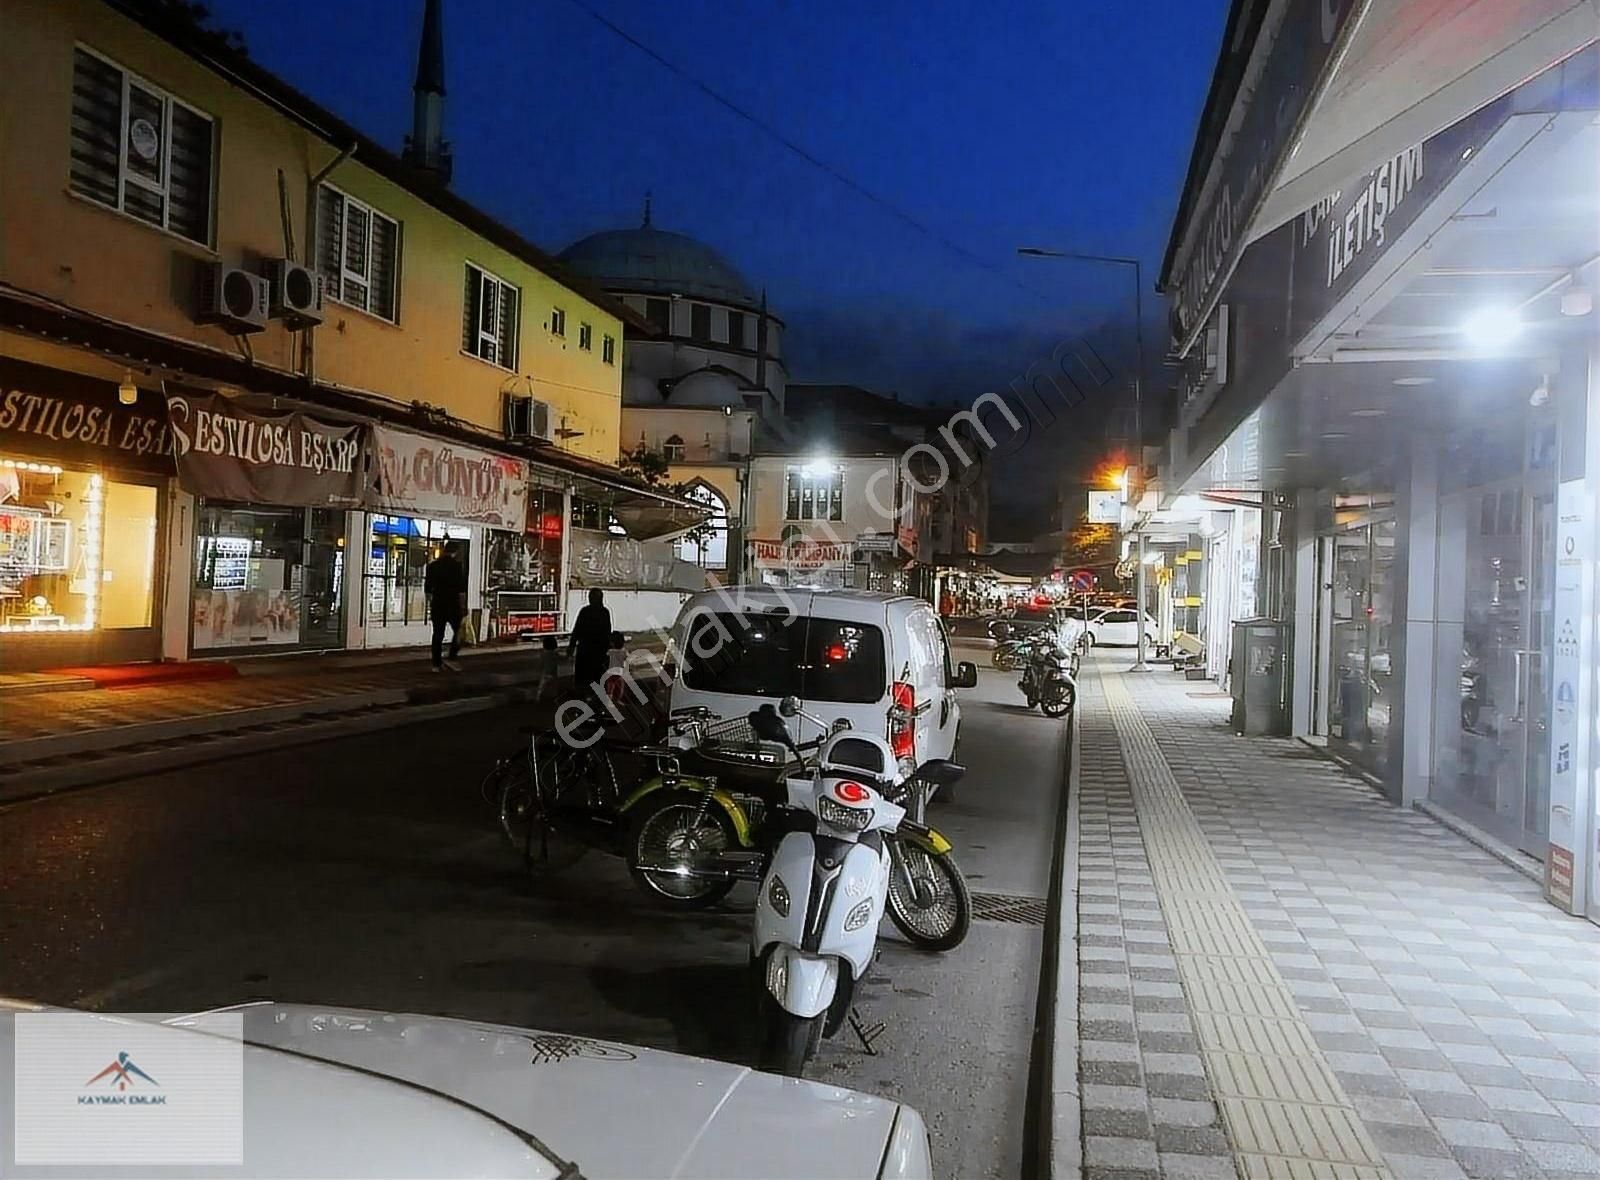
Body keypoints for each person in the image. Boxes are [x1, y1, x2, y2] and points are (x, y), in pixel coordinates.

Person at [424, 540, 467, 671]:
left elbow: (428, 589)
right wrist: (463, 606)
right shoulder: (457, 566)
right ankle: (452, 656)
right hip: (453, 603)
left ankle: (436, 664)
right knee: (459, 631)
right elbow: (461, 590)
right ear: (456, 552)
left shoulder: (432, 566)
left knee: (437, 634)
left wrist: (430, 604)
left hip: (438, 603)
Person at [567, 587, 612, 698]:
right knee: (596, 676)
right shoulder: (604, 612)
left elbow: (577, 630)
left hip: (585, 649)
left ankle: (582, 697)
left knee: (583, 676)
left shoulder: (585, 611)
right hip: (598, 650)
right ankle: (595, 699)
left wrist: (571, 646)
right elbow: (607, 632)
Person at [604, 631, 628, 703]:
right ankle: (617, 700)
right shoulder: (624, 651)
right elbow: (626, 658)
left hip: (611, 673)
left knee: (610, 688)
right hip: (619, 673)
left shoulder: (610, 651)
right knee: (619, 688)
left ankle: (609, 701)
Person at [536, 634, 561, 701]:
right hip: (553, 672)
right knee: (554, 686)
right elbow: (560, 658)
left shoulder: (543, 654)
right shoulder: (554, 653)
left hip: (545, 673)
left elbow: (541, 664)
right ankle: (554, 697)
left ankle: (539, 697)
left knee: (542, 686)